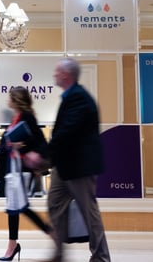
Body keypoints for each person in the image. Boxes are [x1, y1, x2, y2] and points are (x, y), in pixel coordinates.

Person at [46, 58, 111, 262]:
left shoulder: (79, 98)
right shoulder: (69, 97)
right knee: (54, 204)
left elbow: (66, 132)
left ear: (66, 74)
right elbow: (64, 134)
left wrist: (43, 154)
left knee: (89, 212)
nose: (54, 74)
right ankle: (58, 254)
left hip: (80, 167)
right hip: (64, 167)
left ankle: (101, 257)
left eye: (57, 71)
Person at [0, 86, 53, 261]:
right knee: (14, 208)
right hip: (12, 170)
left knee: (19, 207)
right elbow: (5, 147)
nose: (7, 100)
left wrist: (26, 148)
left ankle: (48, 231)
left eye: (10, 97)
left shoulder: (27, 118)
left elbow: (41, 143)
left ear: (16, 99)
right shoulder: (15, 119)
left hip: (22, 170)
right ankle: (14, 245)